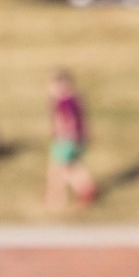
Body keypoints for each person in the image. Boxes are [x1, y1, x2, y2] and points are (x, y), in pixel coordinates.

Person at [46, 70, 97, 209]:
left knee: (56, 170)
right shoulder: (76, 99)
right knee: (72, 167)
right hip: (78, 140)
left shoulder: (63, 102)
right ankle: (87, 191)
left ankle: (56, 199)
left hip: (66, 140)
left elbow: (67, 120)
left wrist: (63, 135)